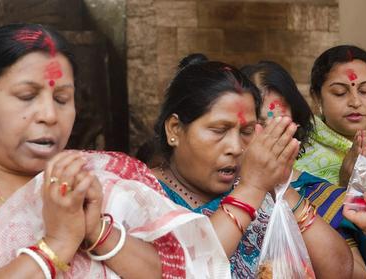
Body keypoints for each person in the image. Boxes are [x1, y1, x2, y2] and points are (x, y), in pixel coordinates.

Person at [0, 24, 229, 279]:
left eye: (62, 99)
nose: (49, 114)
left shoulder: (97, 179)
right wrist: (56, 243)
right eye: (27, 96)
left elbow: (174, 272)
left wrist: (98, 232)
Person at [151, 54, 352, 278]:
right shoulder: (141, 195)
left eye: (246, 132)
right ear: (175, 129)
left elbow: (339, 270)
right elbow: (185, 270)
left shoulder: (256, 185)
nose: (236, 147)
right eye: (219, 130)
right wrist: (251, 189)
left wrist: (282, 188)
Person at [242, 60, 366, 278]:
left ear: (296, 125)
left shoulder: (320, 195)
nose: (266, 138)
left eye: (280, 126)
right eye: (250, 126)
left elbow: (356, 273)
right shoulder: (208, 189)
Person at [295, 45, 366, 187]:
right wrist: (344, 186)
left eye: (364, 91)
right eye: (340, 92)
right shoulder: (298, 150)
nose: (355, 102)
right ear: (317, 98)